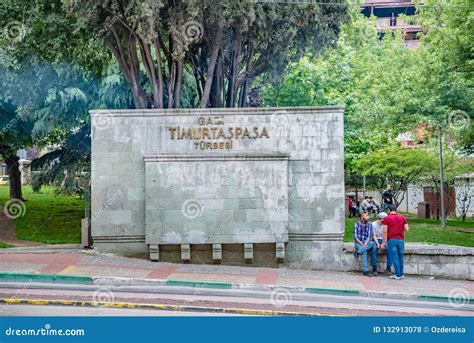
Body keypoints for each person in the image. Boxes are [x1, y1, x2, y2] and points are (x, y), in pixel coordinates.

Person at [382, 204, 409, 280]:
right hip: (401, 240)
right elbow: (407, 229)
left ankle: (397, 275)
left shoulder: (386, 218)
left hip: (391, 240)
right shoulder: (402, 217)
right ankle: (401, 274)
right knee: (400, 257)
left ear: (388, 210)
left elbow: (384, 231)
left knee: (395, 257)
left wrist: (384, 242)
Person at [353, 211, 377, 277]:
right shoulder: (356, 224)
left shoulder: (369, 224)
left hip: (366, 242)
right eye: (366, 216)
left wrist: (365, 243)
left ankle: (357, 252)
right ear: (361, 217)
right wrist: (362, 244)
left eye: (368, 215)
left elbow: (369, 236)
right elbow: (356, 237)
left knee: (372, 242)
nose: (368, 217)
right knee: (364, 252)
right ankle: (365, 271)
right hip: (358, 243)